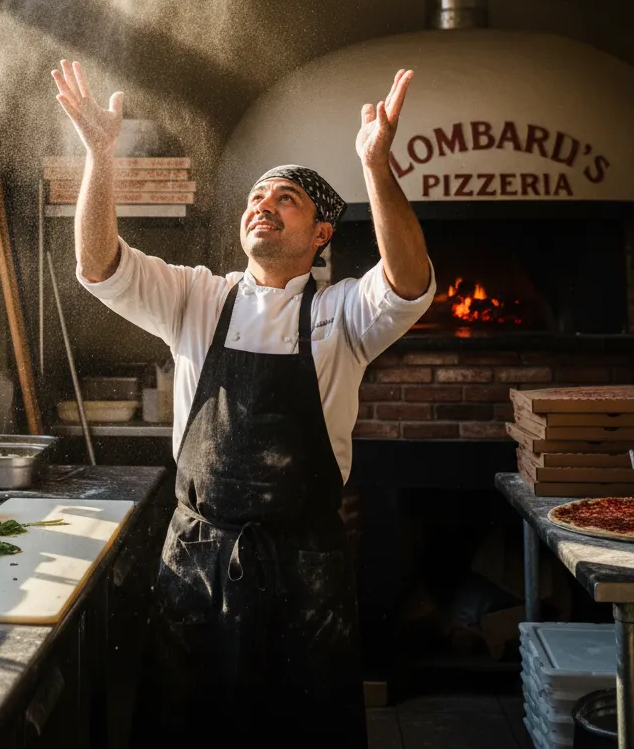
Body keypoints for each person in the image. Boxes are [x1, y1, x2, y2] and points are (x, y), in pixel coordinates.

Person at [51, 60, 434, 742]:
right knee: (184, 727)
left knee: (304, 728)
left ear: (322, 233)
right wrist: (99, 155)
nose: (264, 204)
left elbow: (408, 282)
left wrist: (376, 165)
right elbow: (98, 264)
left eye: (286, 198)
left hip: (307, 566)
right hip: (198, 556)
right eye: (257, 196)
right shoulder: (198, 297)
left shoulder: (344, 313)